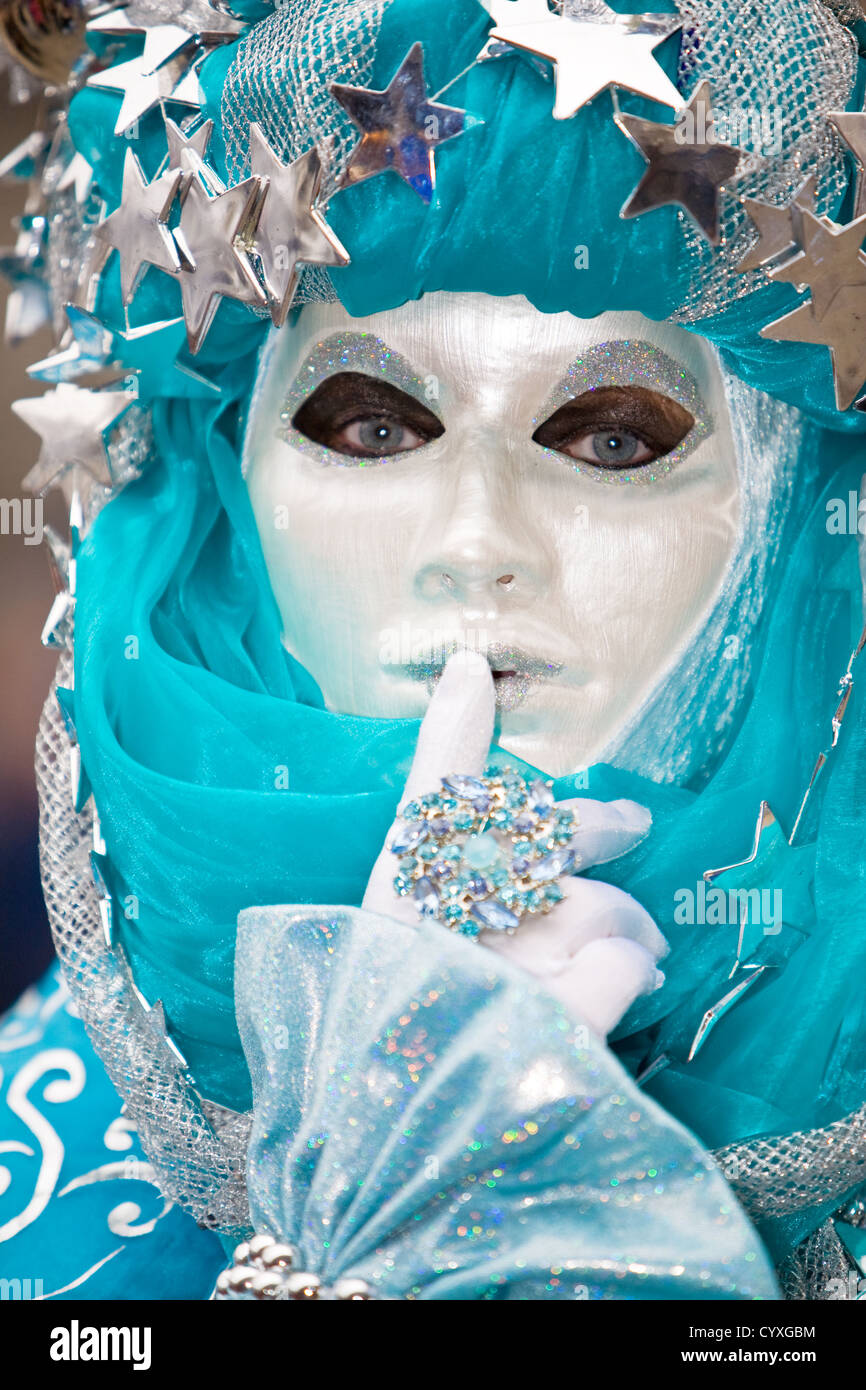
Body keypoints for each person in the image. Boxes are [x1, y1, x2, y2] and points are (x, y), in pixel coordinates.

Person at [2, 0, 865, 1299]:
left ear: (789, 515)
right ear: (227, 505)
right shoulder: (41, 1148)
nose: (476, 539)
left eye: (611, 437)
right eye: (370, 425)